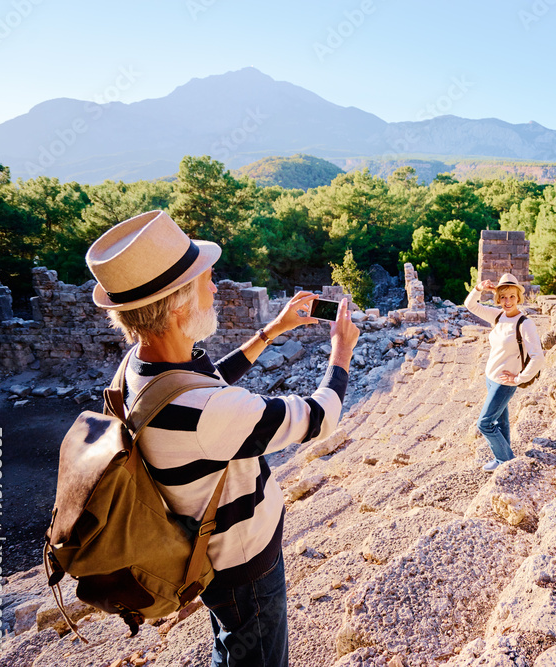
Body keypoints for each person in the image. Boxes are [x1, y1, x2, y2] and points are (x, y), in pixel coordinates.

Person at [85, 210, 359, 667]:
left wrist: (272, 330)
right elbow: (320, 416)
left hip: (204, 553)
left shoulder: (140, 365)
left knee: (232, 646)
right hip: (245, 566)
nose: (214, 288)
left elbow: (205, 381)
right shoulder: (210, 415)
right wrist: (342, 349)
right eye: (207, 280)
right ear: (177, 305)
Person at [464, 273, 544, 472]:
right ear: (498, 298)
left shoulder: (525, 324)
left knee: (484, 424)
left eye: (512, 296)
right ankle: (502, 456)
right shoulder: (498, 316)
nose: (508, 302)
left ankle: (507, 461)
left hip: (505, 382)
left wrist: (519, 378)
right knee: (501, 421)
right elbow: (470, 305)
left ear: (518, 298)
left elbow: (538, 357)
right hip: (491, 377)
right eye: (503, 297)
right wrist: (479, 289)